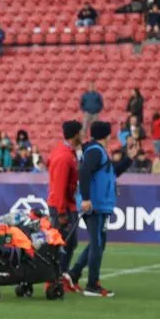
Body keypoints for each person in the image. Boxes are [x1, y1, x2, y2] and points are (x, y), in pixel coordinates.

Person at [67, 121, 132, 297]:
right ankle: (92, 284)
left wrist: (128, 159)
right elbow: (84, 172)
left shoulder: (97, 151)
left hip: (100, 205)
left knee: (98, 243)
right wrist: (86, 198)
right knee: (97, 243)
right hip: (94, 205)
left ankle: (74, 274)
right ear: (107, 135)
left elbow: (111, 173)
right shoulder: (96, 151)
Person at [46, 121, 83, 292]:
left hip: (65, 204)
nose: (82, 135)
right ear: (75, 135)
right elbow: (59, 186)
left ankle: (60, 276)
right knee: (63, 243)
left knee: (69, 242)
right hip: (62, 206)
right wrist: (61, 212)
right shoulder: (65, 157)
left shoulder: (63, 152)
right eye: (80, 133)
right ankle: (54, 278)